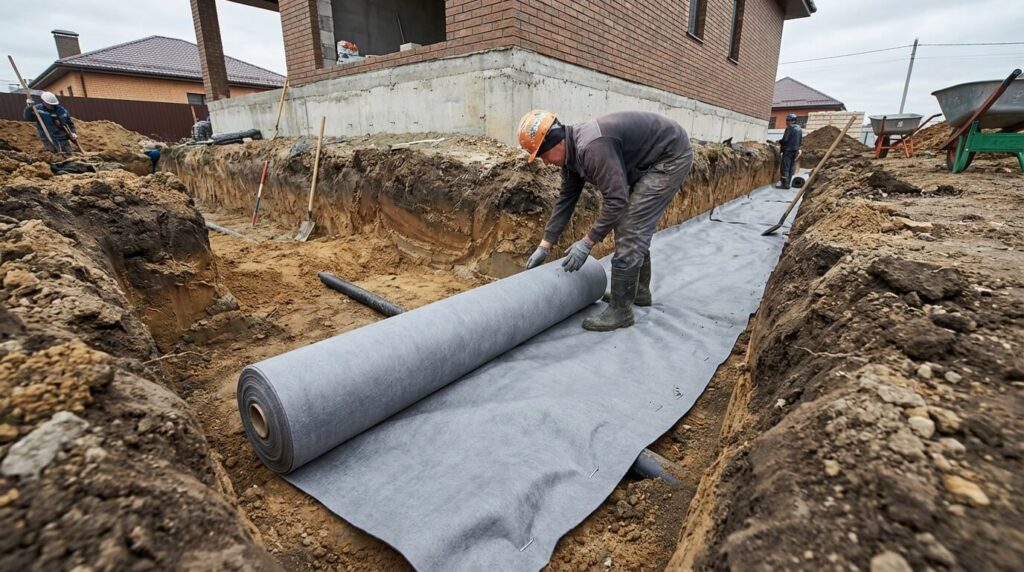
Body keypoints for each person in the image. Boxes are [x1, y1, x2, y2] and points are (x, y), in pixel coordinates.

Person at [518, 110, 693, 332]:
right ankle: (637, 292)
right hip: (648, 156)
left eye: (542, 155)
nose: (544, 162)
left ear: (555, 143)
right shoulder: (571, 154)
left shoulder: (591, 148)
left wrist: (587, 242)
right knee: (629, 225)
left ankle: (621, 311)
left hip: (670, 155)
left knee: (631, 226)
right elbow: (566, 200)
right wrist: (545, 245)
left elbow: (617, 200)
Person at [776, 113, 802, 189]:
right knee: (790, 168)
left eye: (788, 120)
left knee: (785, 168)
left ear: (793, 121)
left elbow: (785, 140)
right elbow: (800, 140)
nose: (787, 122)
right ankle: (788, 183)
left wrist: (780, 141)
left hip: (788, 151)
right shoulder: (799, 128)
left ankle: (784, 185)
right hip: (795, 151)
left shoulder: (790, 128)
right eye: (787, 120)